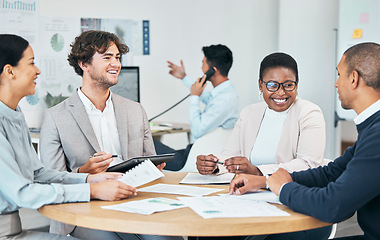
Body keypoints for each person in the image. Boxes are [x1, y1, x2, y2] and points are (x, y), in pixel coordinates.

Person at [39, 31, 181, 240]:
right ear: (83, 64)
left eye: (117, 57)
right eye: (107, 57)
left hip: (135, 200)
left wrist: (153, 168)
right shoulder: (55, 117)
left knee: (168, 237)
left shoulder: (135, 110)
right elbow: (50, 183)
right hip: (84, 207)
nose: (115, 63)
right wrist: (83, 172)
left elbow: (150, 162)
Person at [231, 42, 380, 240]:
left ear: (353, 79)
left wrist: (284, 188)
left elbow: (333, 206)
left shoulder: (376, 135)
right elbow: (331, 173)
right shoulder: (371, 129)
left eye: (339, 74)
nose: (335, 83)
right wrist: (266, 181)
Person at [0, 34, 137, 239]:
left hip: (15, 228)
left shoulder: (14, 114)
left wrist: (90, 180)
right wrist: (92, 191)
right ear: (10, 71)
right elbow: (22, 193)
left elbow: (38, 175)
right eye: (31, 63)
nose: (38, 70)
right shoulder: (51, 116)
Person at [197, 53, 326, 182]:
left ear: (296, 84)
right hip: (249, 191)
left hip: (289, 191)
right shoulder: (248, 113)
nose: (281, 92)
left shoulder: (309, 113)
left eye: (288, 85)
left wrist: (257, 171)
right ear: (260, 85)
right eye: (272, 85)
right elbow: (230, 155)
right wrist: (214, 165)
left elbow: (308, 165)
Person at [154, 44, 239, 171]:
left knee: (147, 143)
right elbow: (208, 98)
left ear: (213, 70)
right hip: (193, 152)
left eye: (203, 63)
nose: (201, 67)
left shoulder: (224, 100)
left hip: (191, 158)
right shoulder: (226, 92)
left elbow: (197, 131)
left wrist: (194, 97)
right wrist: (184, 77)